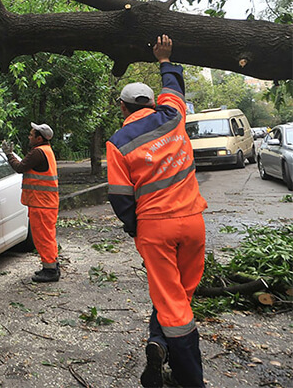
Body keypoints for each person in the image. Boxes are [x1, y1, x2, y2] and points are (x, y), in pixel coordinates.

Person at [107, 35, 207, 388]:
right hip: (193, 222)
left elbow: (119, 196)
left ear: (123, 108)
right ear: (151, 102)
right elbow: (174, 87)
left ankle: (189, 379)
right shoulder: (174, 116)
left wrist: (136, 227)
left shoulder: (118, 143)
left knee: (172, 303)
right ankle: (160, 343)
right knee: (181, 294)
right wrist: (165, 60)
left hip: (155, 230)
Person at [1, 123, 60, 282]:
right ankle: (52, 265)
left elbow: (20, 167)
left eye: (31, 134)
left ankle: (50, 270)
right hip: (46, 202)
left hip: (41, 203)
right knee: (48, 235)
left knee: (42, 237)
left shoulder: (38, 153)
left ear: (39, 138)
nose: (29, 136)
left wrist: (9, 154)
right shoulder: (46, 151)